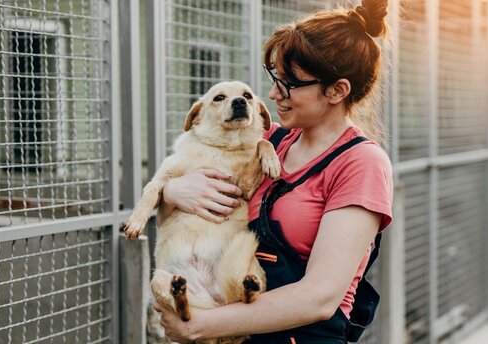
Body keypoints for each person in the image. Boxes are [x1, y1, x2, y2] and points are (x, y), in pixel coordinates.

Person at [154, 0, 394, 342]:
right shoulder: (266, 141)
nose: (272, 94)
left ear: (337, 91)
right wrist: (172, 192)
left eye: (290, 83)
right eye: (275, 78)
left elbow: (320, 298)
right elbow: (175, 225)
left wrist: (200, 326)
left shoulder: (360, 164)